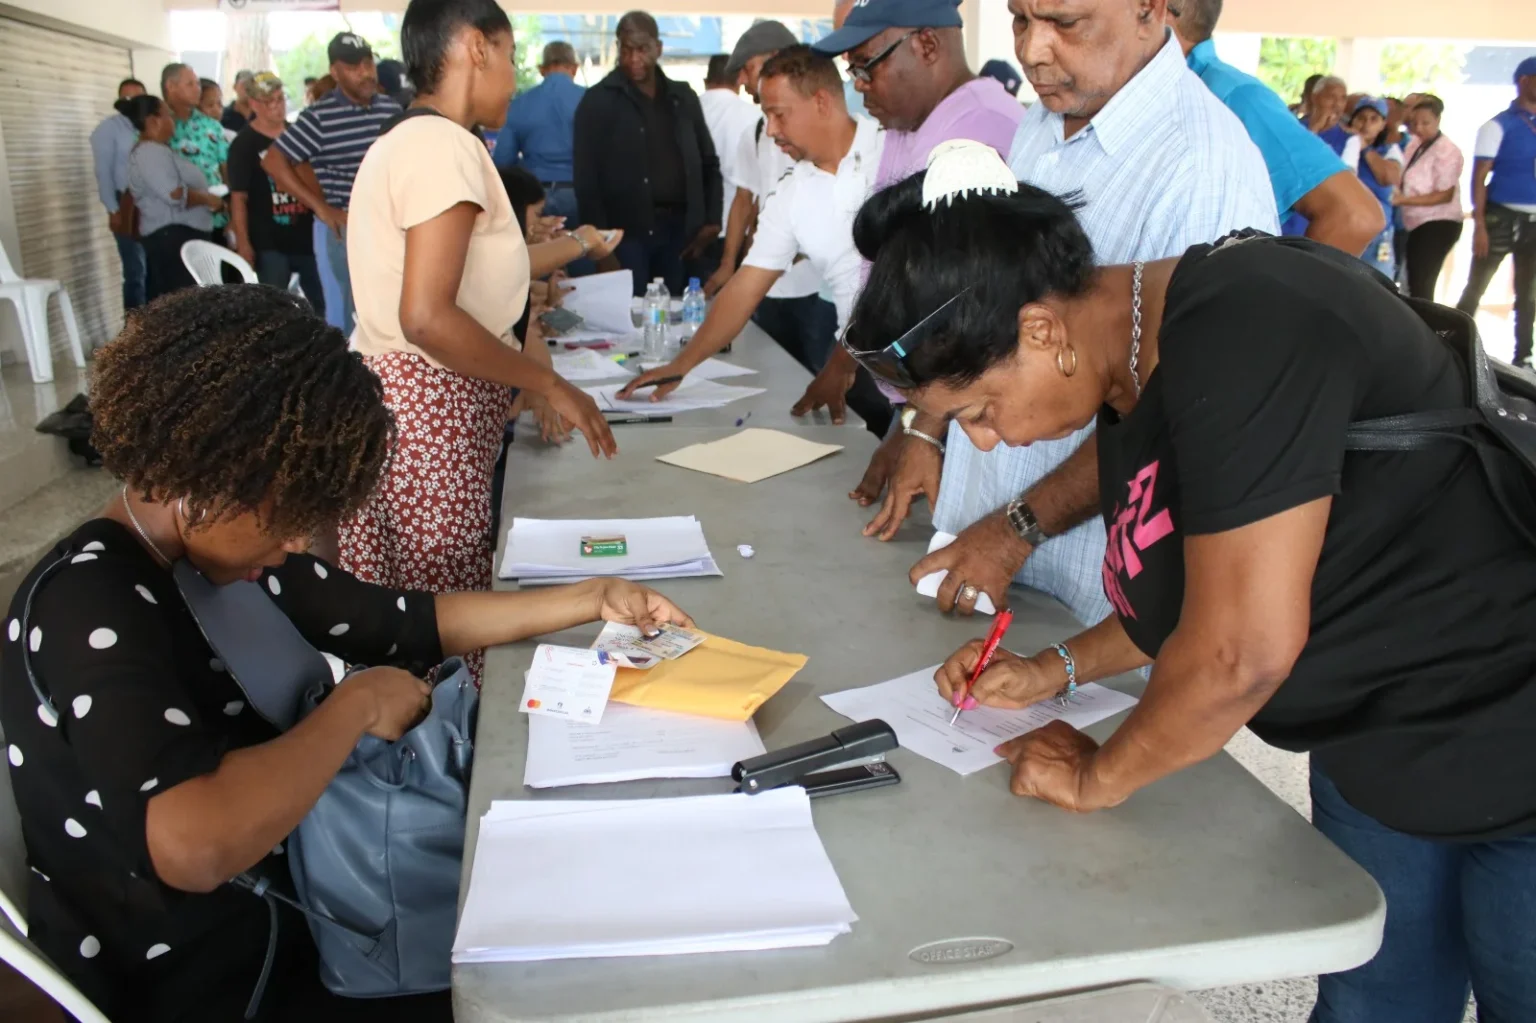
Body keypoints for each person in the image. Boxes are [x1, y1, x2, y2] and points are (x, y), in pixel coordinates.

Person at [847, 139, 1536, 1023]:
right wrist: (1053, 668)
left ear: (1040, 331)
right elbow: (1200, 589)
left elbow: (1240, 650)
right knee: (1377, 1001)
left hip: (1512, 732)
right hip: (1378, 741)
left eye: (976, 409)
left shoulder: (1247, 325)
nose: (985, 440)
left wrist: (1101, 775)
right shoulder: (1141, 369)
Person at [0, 284, 693, 1023]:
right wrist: (351, 709)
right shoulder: (87, 605)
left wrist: (591, 597)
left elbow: (402, 621)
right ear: (211, 476)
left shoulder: (226, 557)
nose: (297, 542)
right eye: (284, 513)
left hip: (316, 911)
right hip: (223, 976)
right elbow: (191, 843)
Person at [904, 0, 1276, 629]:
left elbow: (1178, 414)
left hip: (1094, 601)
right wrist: (927, 426)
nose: (1032, 50)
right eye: (1020, 19)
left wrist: (1016, 529)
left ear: (1150, 9)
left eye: (1064, 22)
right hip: (988, 556)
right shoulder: (1045, 121)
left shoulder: (1201, 170)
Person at [341, 0, 622, 685]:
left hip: (424, 410)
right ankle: (445, 776)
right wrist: (547, 382)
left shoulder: (422, 142)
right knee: (442, 619)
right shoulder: (441, 147)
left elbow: (469, 294)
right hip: (426, 415)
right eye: (510, 59)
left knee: (426, 612)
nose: (515, 80)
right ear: (475, 47)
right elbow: (428, 317)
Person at [796, 0, 1026, 493]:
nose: (858, 83)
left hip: (966, 417)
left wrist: (918, 432)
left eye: (866, 65)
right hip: (927, 403)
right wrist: (846, 360)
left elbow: (968, 313)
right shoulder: (912, 122)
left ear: (925, 44)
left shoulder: (978, 131)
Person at [618, 47, 880, 406]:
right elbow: (745, 288)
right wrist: (682, 365)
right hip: (860, 363)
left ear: (821, 102)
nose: (770, 130)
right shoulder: (791, 193)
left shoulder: (891, 151)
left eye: (778, 114)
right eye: (765, 116)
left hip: (925, 366)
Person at [1168, 0, 1382, 258]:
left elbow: (1355, 215)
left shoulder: (1231, 95)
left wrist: (1285, 295)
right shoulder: (1173, 86)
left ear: (1157, 11)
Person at [708, 21, 838, 376]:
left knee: (817, 381)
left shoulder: (822, 128)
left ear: (776, 61)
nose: (745, 82)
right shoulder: (756, 131)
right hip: (765, 287)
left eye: (749, 69)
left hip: (815, 288)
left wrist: (790, 248)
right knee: (766, 376)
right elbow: (743, 199)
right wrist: (728, 262)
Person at [263, 34, 403, 337]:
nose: (365, 72)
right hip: (343, 229)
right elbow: (274, 161)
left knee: (384, 313)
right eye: (354, 67)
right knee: (346, 317)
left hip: (387, 226)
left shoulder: (390, 109)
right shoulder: (320, 117)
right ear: (336, 72)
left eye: (368, 63)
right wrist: (321, 208)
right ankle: (344, 382)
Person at [573, 11, 722, 296]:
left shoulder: (683, 97)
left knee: (678, 315)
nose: (632, 59)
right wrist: (601, 249)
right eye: (626, 49)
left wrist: (712, 221)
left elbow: (708, 162)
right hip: (624, 236)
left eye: (641, 49)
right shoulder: (597, 101)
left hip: (681, 233)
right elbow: (586, 182)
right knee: (629, 320)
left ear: (658, 48)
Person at [1457, 56, 1536, 369]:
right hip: (1499, 217)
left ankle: (1524, 356)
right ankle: (1454, 345)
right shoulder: (1498, 125)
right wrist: (1480, 226)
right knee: (1477, 286)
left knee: (1529, 293)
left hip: (1534, 222)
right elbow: (1479, 177)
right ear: (1525, 81)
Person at [227, 73, 324, 313]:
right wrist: (243, 241)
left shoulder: (297, 134)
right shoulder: (243, 144)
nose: (276, 106)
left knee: (321, 304)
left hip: (306, 236)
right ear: (254, 104)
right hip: (269, 241)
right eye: (269, 101)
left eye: (280, 99)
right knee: (274, 309)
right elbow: (238, 197)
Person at [124, 96, 226, 301]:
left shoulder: (157, 150)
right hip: (172, 239)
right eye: (168, 116)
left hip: (179, 237)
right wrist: (207, 199)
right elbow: (174, 194)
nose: (173, 122)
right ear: (153, 121)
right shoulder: (149, 152)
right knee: (182, 305)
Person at [493, 41, 586, 223]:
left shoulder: (519, 104)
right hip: (580, 195)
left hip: (534, 198)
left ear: (542, 69)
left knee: (539, 250)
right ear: (574, 68)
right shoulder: (591, 101)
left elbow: (503, 161)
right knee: (581, 246)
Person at [1394, 95, 1465, 301]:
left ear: (1438, 120)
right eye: (1415, 122)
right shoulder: (1415, 143)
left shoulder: (1447, 150)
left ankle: (1428, 330)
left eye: (1426, 123)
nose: (1419, 127)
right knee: (1410, 282)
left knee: (1422, 284)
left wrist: (1402, 201)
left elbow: (1445, 194)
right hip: (1414, 223)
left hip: (1438, 223)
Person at [92, 78, 149, 315]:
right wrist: (112, 209)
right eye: (126, 98)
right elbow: (103, 171)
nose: (131, 103)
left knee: (155, 268)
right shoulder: (109, 129)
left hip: (154, 202)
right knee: (136, 270)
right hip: (125, 202)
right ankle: (135, 333)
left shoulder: (151, 124)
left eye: (137, 98)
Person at [697, 52, 758, 254]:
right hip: (737, 231)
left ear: (706, 81)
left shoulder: (689, 110)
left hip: (694, 233)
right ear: (740, 79)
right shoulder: (754, 116)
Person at [161, 63, 230, 239]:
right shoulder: (155, 126)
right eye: (190, 84)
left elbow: (226, 170)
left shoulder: (212, 126)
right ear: (171, 86)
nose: (197, 89)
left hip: (214, 220)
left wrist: (232, 212)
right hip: (172, 223)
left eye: (198, 84)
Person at [1346, 97, 1403, 279]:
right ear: (1352, 120)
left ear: (1382, 124)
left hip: (1378, 237)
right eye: (1361, 118)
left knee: (1378, 287)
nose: (1366, 124)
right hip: (1348, 229)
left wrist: (1365, 150)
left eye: (1374, 119)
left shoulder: (1390, 151)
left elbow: (1388, 177)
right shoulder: (1344, 149)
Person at [222, 69, 254, 133]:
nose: (247, 88)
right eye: (244, 84)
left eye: (251, 85)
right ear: (234, 87)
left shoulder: (261, 117)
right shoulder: (223, 116)